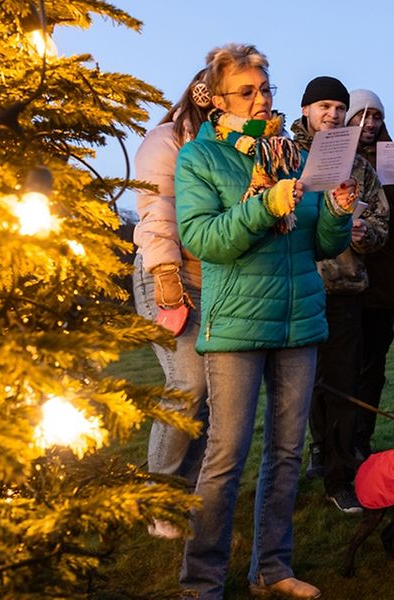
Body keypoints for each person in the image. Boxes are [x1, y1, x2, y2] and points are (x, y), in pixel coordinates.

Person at [174, 43, 358, 600]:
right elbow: (204, 240)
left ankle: (271, 570)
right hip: (234, 326)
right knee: (226, 455)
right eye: (247, 91)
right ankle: (201, 581)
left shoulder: (292, 155)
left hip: (298, 321)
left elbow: (321, 245)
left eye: (265, 89)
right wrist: (265, 206)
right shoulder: (200, 158)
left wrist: (337, 211)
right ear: (218, 99)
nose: (260, 100)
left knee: (285, 452)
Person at [288, 77, 390, 515]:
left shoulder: (360, 167)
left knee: (344, 389)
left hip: (345, 289)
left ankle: (340, 477)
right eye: (323, 105)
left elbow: (382, 223)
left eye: (338, 107)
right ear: (307, 110)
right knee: (296, 389)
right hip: (295, 285)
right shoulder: (284, 154)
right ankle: (290, 475)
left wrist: (367, 233)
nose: (331, 114)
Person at [131, 67, 211, 539]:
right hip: (167, 273)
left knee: (210, 394)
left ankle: (190, 493)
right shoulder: (167, 138)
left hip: (210, 278)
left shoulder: (227, 146)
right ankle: (158, 498)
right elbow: (156, 208)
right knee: (187, 383)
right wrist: (165, 273)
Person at [344, 89, 394, 462]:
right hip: (340, 275)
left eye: (376, 116)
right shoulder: (333, 157)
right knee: (337, 364)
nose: (370, 123)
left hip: (379, 277)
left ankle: (362, 438)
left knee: (373, 366)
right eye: (362, 115)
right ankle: (327, 444)